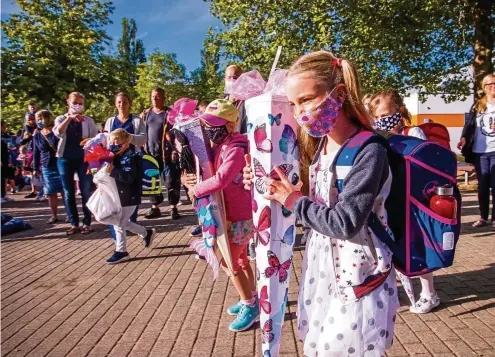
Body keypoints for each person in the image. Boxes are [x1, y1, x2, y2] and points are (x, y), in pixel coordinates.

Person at [243, 51, 398, 356]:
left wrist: (293, 199)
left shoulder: (369, 150)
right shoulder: (321, 145)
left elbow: (344, 222)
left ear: (338, 95)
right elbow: (302, 194)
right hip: (323, 270)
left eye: (306, 99)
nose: (299, 112)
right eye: (292, 104)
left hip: (360, 274)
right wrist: (263, 179)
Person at [182, 99, 258, 332]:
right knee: (241, 259)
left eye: (214, 124)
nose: (209, 129)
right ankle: (252, 296)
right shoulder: (220, 146)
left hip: (240, 215)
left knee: (228, 261)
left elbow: (222, 179)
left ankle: (250, 305)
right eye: (207, 124)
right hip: (230, 214)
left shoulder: (236, 149)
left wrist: (197, 190)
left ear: (231, 126)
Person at [369, 88, 439, 314]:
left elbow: (423, 165)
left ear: (399, 111)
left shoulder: (413, 132)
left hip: (413, 200)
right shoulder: (377, 136)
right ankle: (395, 290)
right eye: (377, 117)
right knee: (393, 246)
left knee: (417, 247)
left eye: (385, 114)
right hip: (389, 201)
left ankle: (429, 293)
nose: (382, 120)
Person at [105, 129, 156, 264]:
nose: (113, 144)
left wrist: (113, 171)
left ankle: (121, 251)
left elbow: (129, 178)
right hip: (122, 195)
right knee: (123, 222)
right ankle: (146, 232)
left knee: (119, 222)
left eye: (116, 141)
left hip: (130, 195)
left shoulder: (129, 158)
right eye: (111, 141)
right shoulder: (117, 157)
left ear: (126, 144)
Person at [53, 92, 98, 235]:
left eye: (80, 103)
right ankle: (74, 223)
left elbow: (95, 138)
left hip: (83, 159)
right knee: (68, 192)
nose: (78, 105)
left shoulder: (88, 120)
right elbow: (58, 132)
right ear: (68, 102)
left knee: (85, 191)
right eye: (75, 102)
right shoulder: (60, 118)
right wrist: (69, 118)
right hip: (64, 158)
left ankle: (87, 222)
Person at [104, 92, 146, 239]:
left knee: (131, 194)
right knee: (114, 195)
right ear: (116, 104)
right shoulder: (110, 121)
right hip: (114, 163)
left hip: (131, 162)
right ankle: (121, 228)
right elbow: (105, 139)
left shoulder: (136, 121)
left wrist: (129, 138)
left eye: (125, 102)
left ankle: (130, 224)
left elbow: (143, 139)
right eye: (119, 102)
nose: (122, 105)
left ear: (130, 103)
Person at [458, 73, 495, 231]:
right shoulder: (478, 106)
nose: (493, 86)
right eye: (490, 84)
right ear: (484, 88)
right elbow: (469, 126)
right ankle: (483, 217)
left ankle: (494, 219)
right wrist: (464, 138)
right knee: (483, 185)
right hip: (480, 151)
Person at [141, 87, 181, 220]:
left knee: (171, 181)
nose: (154, 98)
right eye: (153, 96)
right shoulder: (146, 114)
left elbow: (178, 131)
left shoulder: (170, 113)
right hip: (151, 153)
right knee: (153, 182)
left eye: (157, 96)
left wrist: (175, 149)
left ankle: (173, 208)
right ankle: (155, 208)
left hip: (168, 154)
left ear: (163, 98)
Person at [33, 110, 66, 224]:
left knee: (64, 190)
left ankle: (69, 214)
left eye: (41, 118)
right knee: (50, 192)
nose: (39, 121)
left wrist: (49, 132)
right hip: (46, 165)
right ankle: (54, 215)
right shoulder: (37, 134)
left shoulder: (56, 130)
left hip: (60, 163)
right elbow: (36, 152)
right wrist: (35, 168)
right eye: (37, 119)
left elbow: (59, 143)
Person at [224, 64, 249, 134]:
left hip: (243, 142)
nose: (232, 80)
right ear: (225, 79)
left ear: (241, 80)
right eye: (229, 77)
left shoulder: (247, 101)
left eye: (235, 78)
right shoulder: (222, 103)